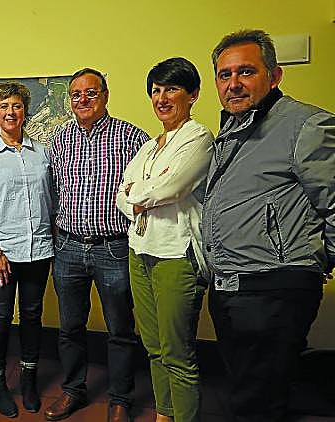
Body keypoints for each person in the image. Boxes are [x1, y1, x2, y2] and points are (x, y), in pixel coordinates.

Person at [203, 29, 335, 422]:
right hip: (231, 286)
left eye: (246, 71)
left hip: (273, 290)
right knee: (250, 391)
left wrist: (311, 264)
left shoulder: (305, 125)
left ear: (274, 76)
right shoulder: (233, 130)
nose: (233, 83)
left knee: (256, 404)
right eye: (224, 75)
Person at [47, 68, 148, 422]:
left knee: (120, 329)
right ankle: (73, 390)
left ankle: (120, 398)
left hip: (113, 248)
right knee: (69, 327)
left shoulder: (132, 137)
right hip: (69, 247)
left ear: (105, 95)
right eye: (76, 94)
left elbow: (147, 191)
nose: (83, 100)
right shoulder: (60, 139)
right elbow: (53, 190)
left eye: (91, 93)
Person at [116, 57, 213, 422]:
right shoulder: (149, 145)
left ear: (193, 94)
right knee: (153, 346)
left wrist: (141, 192)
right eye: (156, 91)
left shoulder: (198, 138)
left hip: (176, 253)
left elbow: (171, 189)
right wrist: (142, 193)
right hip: (139, 249)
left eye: (171, 89)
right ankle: (164, 414)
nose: (161, 98)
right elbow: (121, 195)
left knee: (177, 352)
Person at [0, 81, 54, 418]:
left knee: (32, 315)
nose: (10, 112)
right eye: (4, 106)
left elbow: (53, 199)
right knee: (1, 316)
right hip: (0, 253)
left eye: (16, 106)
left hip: (39, 249)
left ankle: (29, 378)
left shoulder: (42, 152)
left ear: (25, 111)